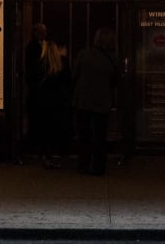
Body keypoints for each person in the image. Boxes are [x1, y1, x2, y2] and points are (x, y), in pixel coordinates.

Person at [70, 27, 120, 176]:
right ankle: (98, 167)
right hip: (102, 101)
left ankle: (83, 164)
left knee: (84, 134)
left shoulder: (84, 54)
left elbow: (74, 76)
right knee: (100, 136)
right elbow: (115, 81)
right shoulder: (113, 58)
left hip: (82, 101)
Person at [33, 38, 72, 168]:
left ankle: (45, 155)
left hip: (43, 101)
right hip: (58, 101)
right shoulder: (62, 64)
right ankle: (55, 154)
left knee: (44, 128)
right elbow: (68, 82)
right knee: (55, 128)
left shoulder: (40, 64)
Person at [21, 22, 47, 162]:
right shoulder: (34, 47)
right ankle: (35, 141)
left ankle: (35, 140)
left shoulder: (35, 46)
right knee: (36, 116)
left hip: (35, 86)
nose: (45, 34)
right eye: (42, 32)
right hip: (36, 86)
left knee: (35, 116)